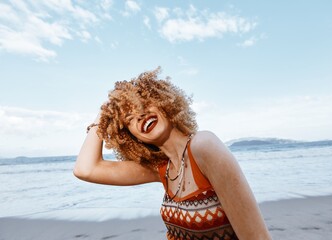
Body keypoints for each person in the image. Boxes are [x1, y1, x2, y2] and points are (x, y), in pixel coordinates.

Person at [73, 67, 271, 240]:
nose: (140, 115)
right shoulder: (161, 169)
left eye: (143, 104)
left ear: (163, 102)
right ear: (132, 137)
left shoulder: (204, 146)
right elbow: (86, 169)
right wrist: (105, 113)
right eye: (129, 118)